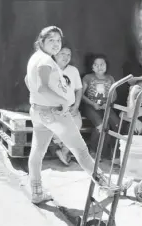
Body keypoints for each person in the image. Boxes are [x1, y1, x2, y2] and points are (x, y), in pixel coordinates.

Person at [24, 26, 113, 204]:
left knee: (37, 152)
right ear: (41, 41)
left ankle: (36, 192)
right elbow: (42, 87)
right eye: (51, 40)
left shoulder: (35, 58)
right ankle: (106, 186)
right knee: (80, 150)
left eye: (58, 40)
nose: (56, 44)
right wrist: (62, 101)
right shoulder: (45, 61)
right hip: (54, 113)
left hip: (38, 111)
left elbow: (29, 81)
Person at [81, 54, 121, 158]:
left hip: (106, 107)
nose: (99, 67)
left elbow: (114, 95)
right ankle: (93, 150)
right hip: (91, 107)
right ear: (92, 67)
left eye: (102, 64)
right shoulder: (88, 77)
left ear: (106, 66)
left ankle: (111, 151)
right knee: (101, 126)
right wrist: (92, 104)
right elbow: (80, 94)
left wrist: (107, 104)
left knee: (116, 124)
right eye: (96, 65)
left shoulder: (110, 78)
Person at [50, 45, 84, 165]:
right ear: (55, 55)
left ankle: (64, 150)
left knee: (77, 125)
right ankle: (63, 148)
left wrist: (76, 106)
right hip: (54, 108)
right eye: (62, 54)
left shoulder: (73, 70)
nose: (66, 57)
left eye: (69, 55)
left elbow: (79, 89)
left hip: (70, 107)